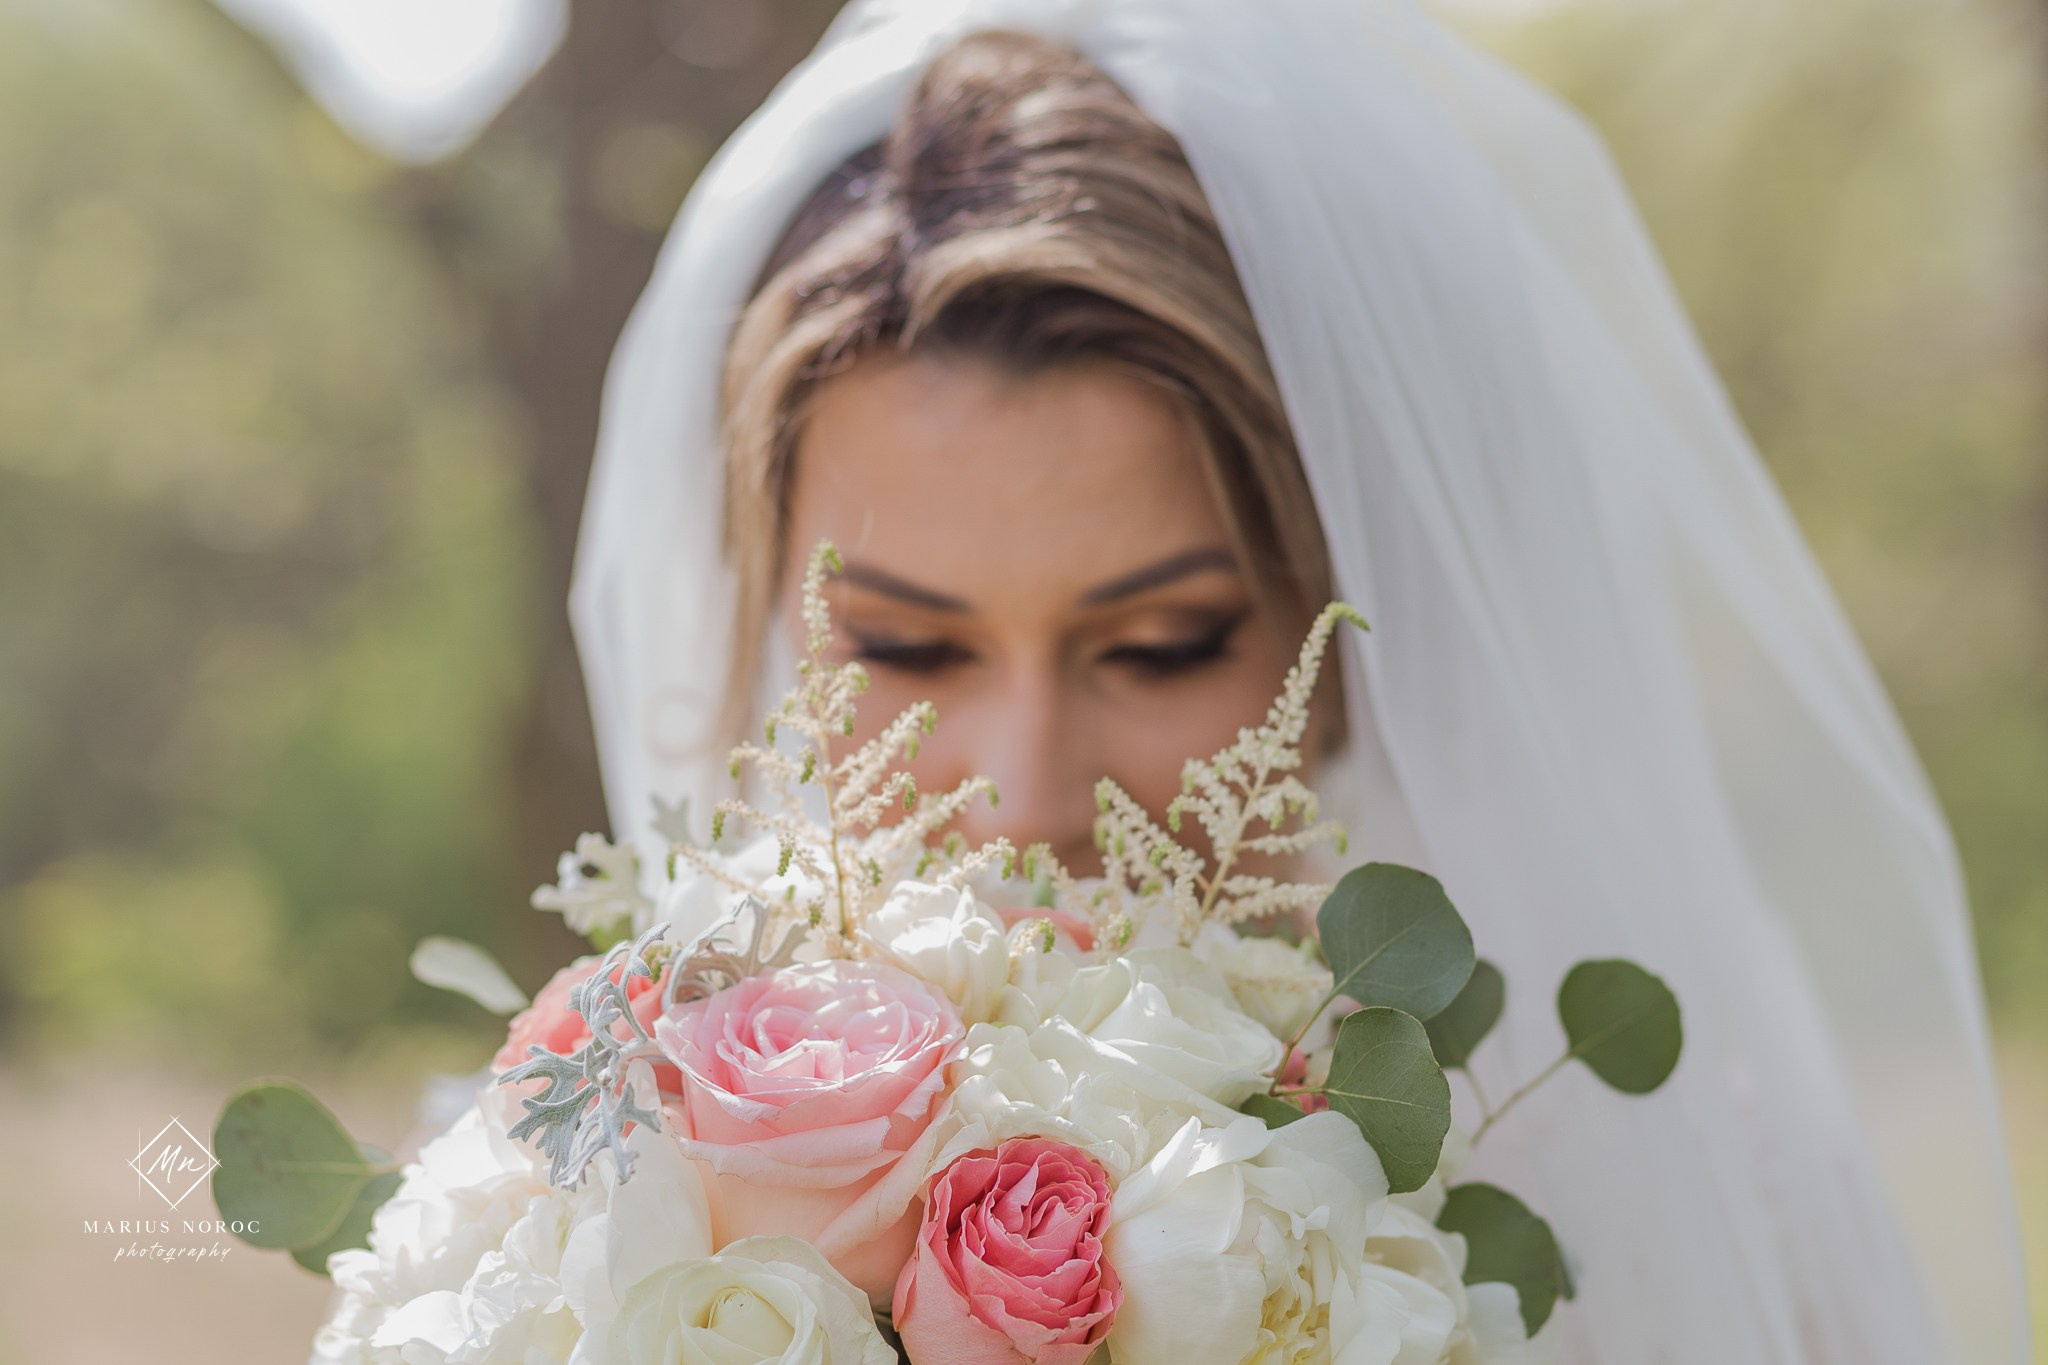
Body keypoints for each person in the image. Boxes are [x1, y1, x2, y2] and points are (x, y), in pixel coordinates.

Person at [569, 2, 2030, 1361]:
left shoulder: (1679, 1213)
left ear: (1347, 643)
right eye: (904, 646)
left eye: (1161, 645)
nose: (1025, 787)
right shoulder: (584, 1211)